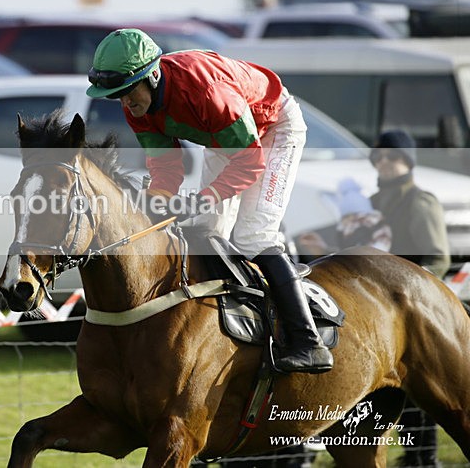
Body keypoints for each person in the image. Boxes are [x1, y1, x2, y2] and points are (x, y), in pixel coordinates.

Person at [86, 28, 333, 374]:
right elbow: (165, 165)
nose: (125, 103)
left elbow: (250, 160)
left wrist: (203, 197)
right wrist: (157, 201)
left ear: (152, 76)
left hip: (274, 127)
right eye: (117, 96)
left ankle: (310, 343)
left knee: (253, 237)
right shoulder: (137, 106)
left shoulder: (206, 92)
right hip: (225, 138)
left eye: (128, 92)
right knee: (206, 232)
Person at [369, 130, 450, 468]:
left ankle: (423, 459)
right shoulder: (371, 203)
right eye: (380, 157)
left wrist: (412, 298)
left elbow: (436, 258)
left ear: (408, 161)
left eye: (394, 156)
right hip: (375, 304)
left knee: (419, 391)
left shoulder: (419, 200)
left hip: (411, 307)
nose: (385, 162)